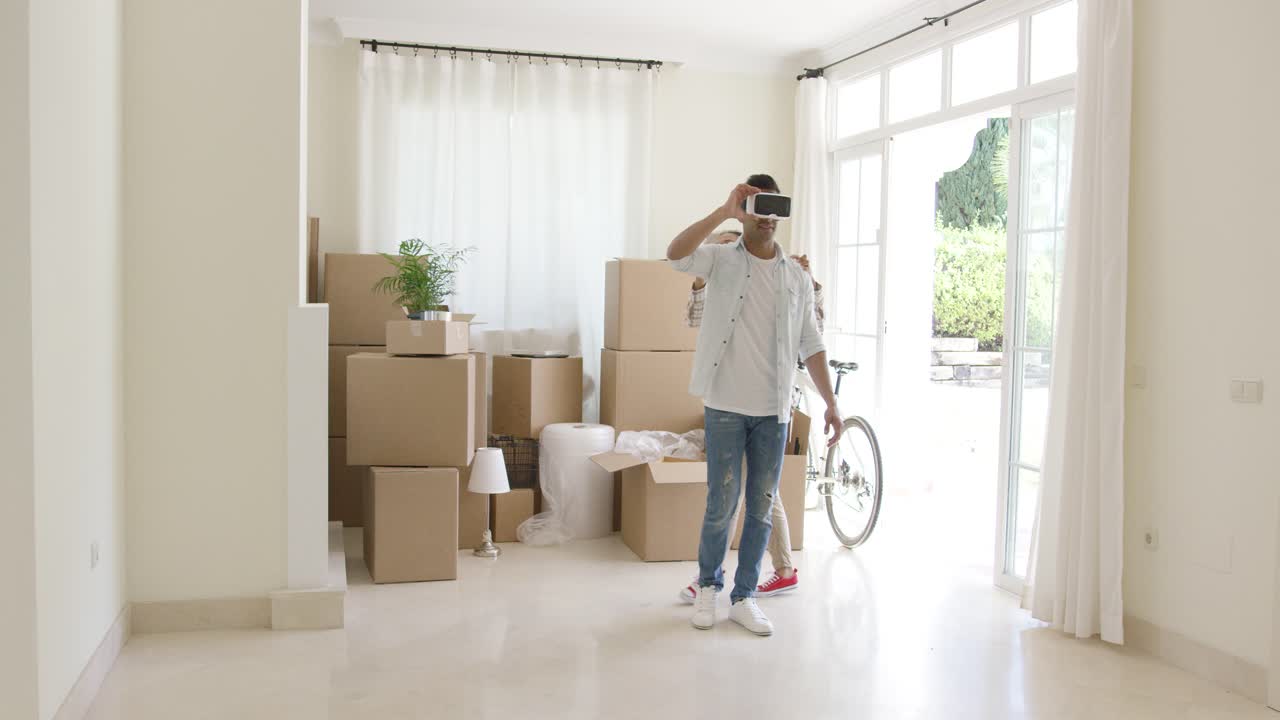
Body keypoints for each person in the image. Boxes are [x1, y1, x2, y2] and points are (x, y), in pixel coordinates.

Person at [666, 174, 843, 636]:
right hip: (725, 403)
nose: (767, 217)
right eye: (758, 207)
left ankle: (744, 596)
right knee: (721, 505)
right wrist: (725, 211)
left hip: (774, 411)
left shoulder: (797, 276)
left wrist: (831, 402)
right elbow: (676, 253)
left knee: (761, 508)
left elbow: (812, 341)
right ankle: (709, 587)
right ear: (746, 210)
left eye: (775, 208)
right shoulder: (721, 259)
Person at [675, 230, 828, 604]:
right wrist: (702, 274)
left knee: (756, 495)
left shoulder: (786, 274)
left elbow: (812, 333)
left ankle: (738, 579)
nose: (730, 249)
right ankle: (715, 577)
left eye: (733, 242)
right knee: (730, 497)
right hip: (728, 398)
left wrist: (813, 283)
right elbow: (694, 316)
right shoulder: (721, 275)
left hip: (772, 402)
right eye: (723, 245)